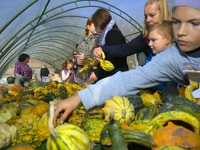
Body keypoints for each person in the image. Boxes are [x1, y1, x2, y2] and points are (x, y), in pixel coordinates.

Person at [53, 0, 200, 125]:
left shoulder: (114, 34)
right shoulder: (172, 57)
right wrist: (80, 97)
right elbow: (130, 78)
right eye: (177, 22)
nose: (181, 31)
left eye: (194, 23)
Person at [93, 0, 172, 67]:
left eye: (152, 15)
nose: (148, 20)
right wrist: (103, 49)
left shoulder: (177, 33)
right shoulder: (144, 37)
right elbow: (124, 49)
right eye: (145, 16)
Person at [89, 8, 129, 82]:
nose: (95, 28)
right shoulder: (108, 34)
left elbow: (113, 58)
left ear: (100, 22)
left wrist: (98, 73)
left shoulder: (113, 33)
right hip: (113, 77)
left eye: (96, 25)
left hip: (116, 78)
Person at [75, 17, 100, 85]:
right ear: (88, 27)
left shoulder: (99, 40)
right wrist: (77, 62)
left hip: (92, 79)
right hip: (81, 79)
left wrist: (85, 57)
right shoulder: (81, 43)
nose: (97, 27)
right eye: (95, 25)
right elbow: (74, 61)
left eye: (98, 25)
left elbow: (99, 59)